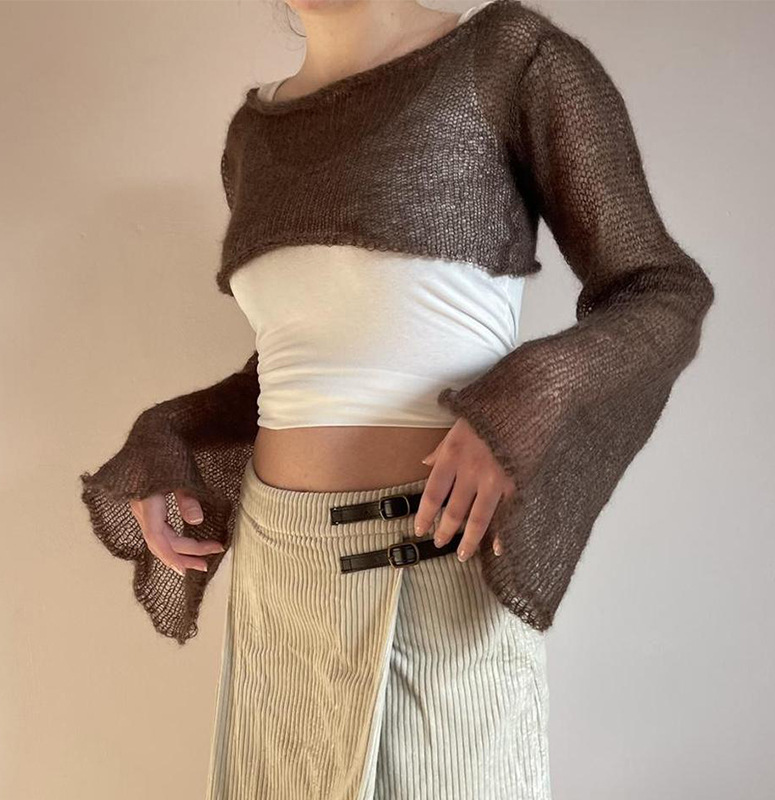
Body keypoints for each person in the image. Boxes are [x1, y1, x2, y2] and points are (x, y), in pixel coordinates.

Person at [79, 0, 715, 797]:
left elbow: (661, 291)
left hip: (435, 555)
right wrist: (168, 433)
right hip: (281, 585)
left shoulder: (506, 59)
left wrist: (517, 406)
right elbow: (298, 366)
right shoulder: (251, 141)